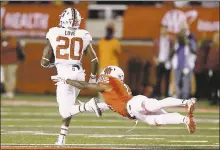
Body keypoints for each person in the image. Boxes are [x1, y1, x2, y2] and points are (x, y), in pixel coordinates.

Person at [52, 66, 197, 134]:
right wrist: (93, 107)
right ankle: (185, 120)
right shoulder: (116, 88)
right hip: (134, 112)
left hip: (133, 105)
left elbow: (85, 86)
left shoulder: (110, 82)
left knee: (156, 105)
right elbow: (111, 104)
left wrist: (66, 80)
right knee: (158, 119)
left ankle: (186, 102)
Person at [40, 8, 101, 145]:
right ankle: (61, 138)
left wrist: (48, 64)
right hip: (79, 73)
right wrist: (92, 78)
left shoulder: (54, 32)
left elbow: (45, 61)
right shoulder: (83, 34)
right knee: (69, 106)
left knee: (65, 110)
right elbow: (94, 60)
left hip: (64, 74)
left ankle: (89, 106)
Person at [171, 23, 197, 99]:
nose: (183, 31)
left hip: (187, 64)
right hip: (178, 64)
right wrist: (176, 43)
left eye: (184, 29)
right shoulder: (177, 39)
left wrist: (188, 42)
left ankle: (185, 98)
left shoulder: (191, 38)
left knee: (186, 82)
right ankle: (177, 97)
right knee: (176, 81)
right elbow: (172, 52)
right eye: (182, 29)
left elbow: (194, 51)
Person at [1, 27, 25, 99]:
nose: (3, 33)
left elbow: (13, 46)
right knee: (5, 77)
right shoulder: (1, 39)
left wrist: (5, 46)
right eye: (2, 32)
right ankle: (7, 91)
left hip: (12, 61)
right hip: (3, 61)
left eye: (4, 32)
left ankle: (10, 92)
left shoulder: (12, 38)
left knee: (11, 76)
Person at [151, 25, 173, 98]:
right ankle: (158, 94)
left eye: (165, 30)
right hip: (159, 61)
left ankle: (166, 95)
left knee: (167, 80)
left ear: (167, 31)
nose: (163, 31)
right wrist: (155, 60)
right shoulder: (157, 40)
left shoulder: (170, 40)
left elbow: (173, 50)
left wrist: (170, 60)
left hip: (167, 62)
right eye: (162, 30)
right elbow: (153, 51)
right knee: (158, 80)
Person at [206, 32, 220, 105]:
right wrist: (209, 67)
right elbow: (210, 59)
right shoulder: (212, 48)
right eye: (215, 38)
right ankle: (214, 99)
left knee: (217, 86)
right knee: (213, 86)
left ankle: (216, 99)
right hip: (212, 70)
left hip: (218, 69)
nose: (215, 39)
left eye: (217, 38)